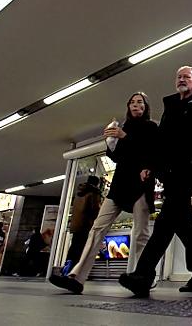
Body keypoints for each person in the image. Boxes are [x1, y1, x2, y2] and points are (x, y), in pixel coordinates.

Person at [119, 66, 192, 297]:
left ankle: (144, 274)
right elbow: (161, 141)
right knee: (182, 221)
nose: (181, 80)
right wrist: (152, 165)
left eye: (186, 76)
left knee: (167, 220)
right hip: (170, 171)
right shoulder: (171, 107)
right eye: (178, 77)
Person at [50, 92, 158, 294]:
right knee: (97, 228)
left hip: (141, 184)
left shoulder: (151, 127)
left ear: (145, 107)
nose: (136, 105)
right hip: (120, 184)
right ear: (128, 106)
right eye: (132, 102)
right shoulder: (122, 127)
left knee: (141, 233)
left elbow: (150, 152)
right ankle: (77, 276)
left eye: (140, 102)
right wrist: (110, 141)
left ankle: (143, 277)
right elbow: (117, 157)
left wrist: (125, 137)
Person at [60, 176, 102, 275]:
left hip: (76, 225)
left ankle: (67, 266)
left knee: (74, 246)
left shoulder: (79, 193)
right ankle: (73, 271)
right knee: (81, 248)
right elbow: (95, 210)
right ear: (96, 183)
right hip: (86, 225)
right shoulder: (93, 193)